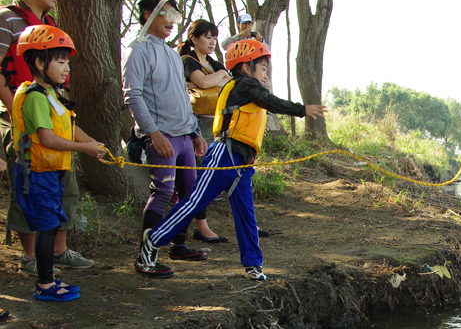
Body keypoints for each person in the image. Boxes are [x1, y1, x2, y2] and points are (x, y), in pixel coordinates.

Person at [135, 39, 326, 280]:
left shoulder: (246, 91)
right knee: (195, 202)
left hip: (243, 162)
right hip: (224, 155)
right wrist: (302, 109)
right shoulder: (244, 84)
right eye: (263, 68)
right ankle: (152, 242)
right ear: (246, 67)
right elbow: (270, 101)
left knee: (246, 212)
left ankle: (253, 264)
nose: (266, 74)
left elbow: (247, 118)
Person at [0, 0, 94, 276]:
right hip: (19, 115)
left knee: (64, 182)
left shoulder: (52, 26)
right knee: (30, 184)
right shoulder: (6, 19)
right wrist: (19, 116)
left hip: (53, 114)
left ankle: (59, 249)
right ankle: (29, 256)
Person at [10, 26, 106, 301]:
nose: (67, 68)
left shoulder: (52, 95)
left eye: (68, 62)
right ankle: (45, 284)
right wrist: (84, 149)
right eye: (61, 61)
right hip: (37, 174)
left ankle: (48, 280)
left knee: (51, 224)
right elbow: (47, 138)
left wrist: (94, 144)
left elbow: (70, 128)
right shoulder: (36, 97)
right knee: (47, 226)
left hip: (51, 173)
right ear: (40, 62)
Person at [123, 0, 208, 275]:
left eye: (176, 16)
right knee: (163, 192)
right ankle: (146, 257)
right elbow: (133, 96)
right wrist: (154, 134)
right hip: (162, 137)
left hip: (185, 136)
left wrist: (195, 132)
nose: (173, 22)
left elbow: (184, 96)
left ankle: (178, 244)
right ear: (149, 14)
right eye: (167, 14)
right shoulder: (138, 50)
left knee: (190, 193)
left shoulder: (172, 54)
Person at [178, 19, 230, 243]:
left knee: (210, 172)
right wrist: (210, 81)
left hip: (215, 123)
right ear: (194, 38)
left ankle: (199, 224)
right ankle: (200, 226)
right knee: (197, 175)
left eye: (214, 37)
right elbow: (207, 83)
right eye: (207, 37)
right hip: (195, 124)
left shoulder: (213, 62)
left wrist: (208, 81)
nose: (212, 41)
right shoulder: (187, 60)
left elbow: (229, 82)